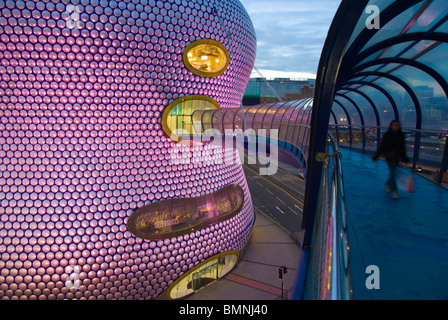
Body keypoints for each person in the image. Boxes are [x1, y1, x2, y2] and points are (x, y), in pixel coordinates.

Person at [372, 120, 409, 199]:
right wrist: (376, 156)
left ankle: (388, 184)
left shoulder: (401, 135)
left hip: (397, 156)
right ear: (391, 126)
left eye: (397, 125)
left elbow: (402, 147)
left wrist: (404, 158)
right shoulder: (387, 135)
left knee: (393, 173)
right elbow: (382, 146)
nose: (396, 126)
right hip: (389, 157)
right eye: (394, 125)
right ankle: (394, 191)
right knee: (393, 173)